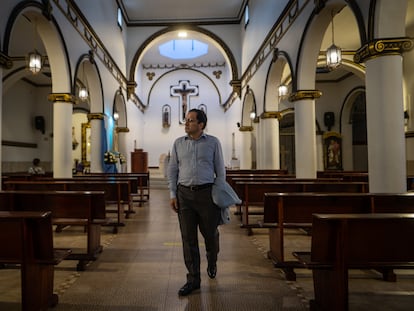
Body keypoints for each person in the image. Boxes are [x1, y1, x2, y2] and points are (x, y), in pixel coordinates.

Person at [167, 108, 226, 296]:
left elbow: (220, 171)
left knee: (210, 234)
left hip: (207, 194)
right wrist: (172, 194)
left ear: (201, 124)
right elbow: (173, 169)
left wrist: (218, 195)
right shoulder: (178, 143)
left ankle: (212, 260)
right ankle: (193, 279)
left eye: (191, 120)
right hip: (184, 195)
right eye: (186, 120)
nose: (186, 123)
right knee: (188, 238)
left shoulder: (213, 143)